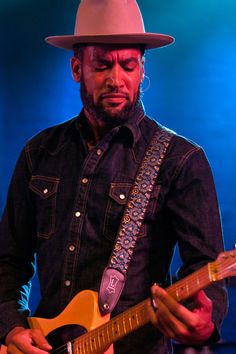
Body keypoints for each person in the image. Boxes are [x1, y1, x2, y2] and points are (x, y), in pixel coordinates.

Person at [0, 1, 228, 353]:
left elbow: (206, 268)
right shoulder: (39, 152)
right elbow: (9, 260)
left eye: (129, 65)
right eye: (102, 65)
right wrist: (11, 328)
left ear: (142, 69)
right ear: (77, 68)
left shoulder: (179, 159)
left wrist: (200, 324)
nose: (116, 79)